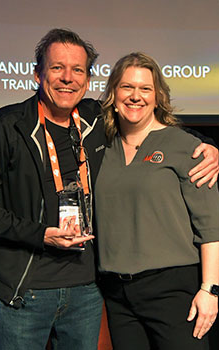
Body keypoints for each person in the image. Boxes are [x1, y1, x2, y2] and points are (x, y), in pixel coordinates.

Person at [0, 29, 218, 350]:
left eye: (78, 70)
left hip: (87, 291)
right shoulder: (6, 125)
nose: (67, 79)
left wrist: (210, 147)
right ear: (37, 73)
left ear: (88, 80)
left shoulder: (95, 121)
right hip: (25, 290)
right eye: (57, 68)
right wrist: (38, 233)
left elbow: (159, 130)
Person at [94, 52, 219, 350]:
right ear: (113, 92)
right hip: (116, 294)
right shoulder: (101, 147)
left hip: (174, 291)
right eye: (127, 87)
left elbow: (210, 227)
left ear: (158, 95)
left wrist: (211, 290)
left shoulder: (185, 146)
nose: (135, 96)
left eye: (145, 89)